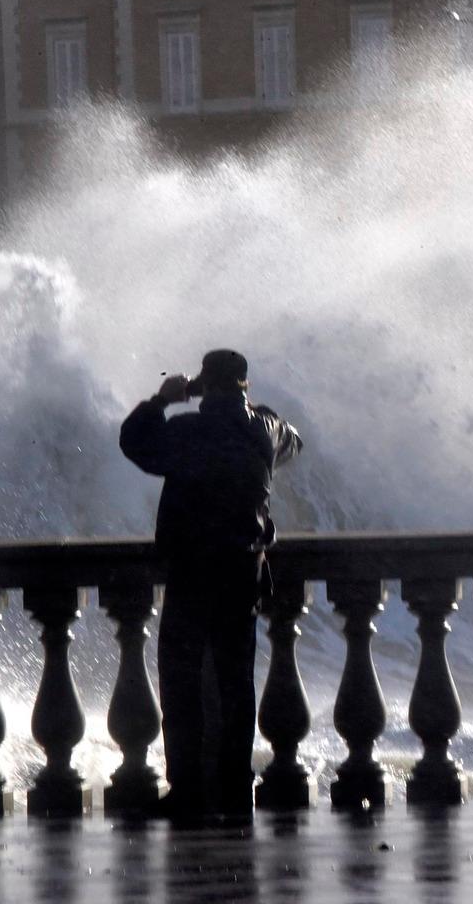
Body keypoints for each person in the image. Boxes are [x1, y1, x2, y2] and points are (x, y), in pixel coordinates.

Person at [119, 348, 303, 818]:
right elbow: (293, 440)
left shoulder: (186, 431)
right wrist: (251, 407)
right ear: (243, 385)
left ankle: (187, 790)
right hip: (242, 573)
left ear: (205, 384)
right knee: (236, 684)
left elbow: (135, 441)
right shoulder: (263, 430)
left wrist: (163, 399)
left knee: (181, 686)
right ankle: (236, 785)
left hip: (191, 571)